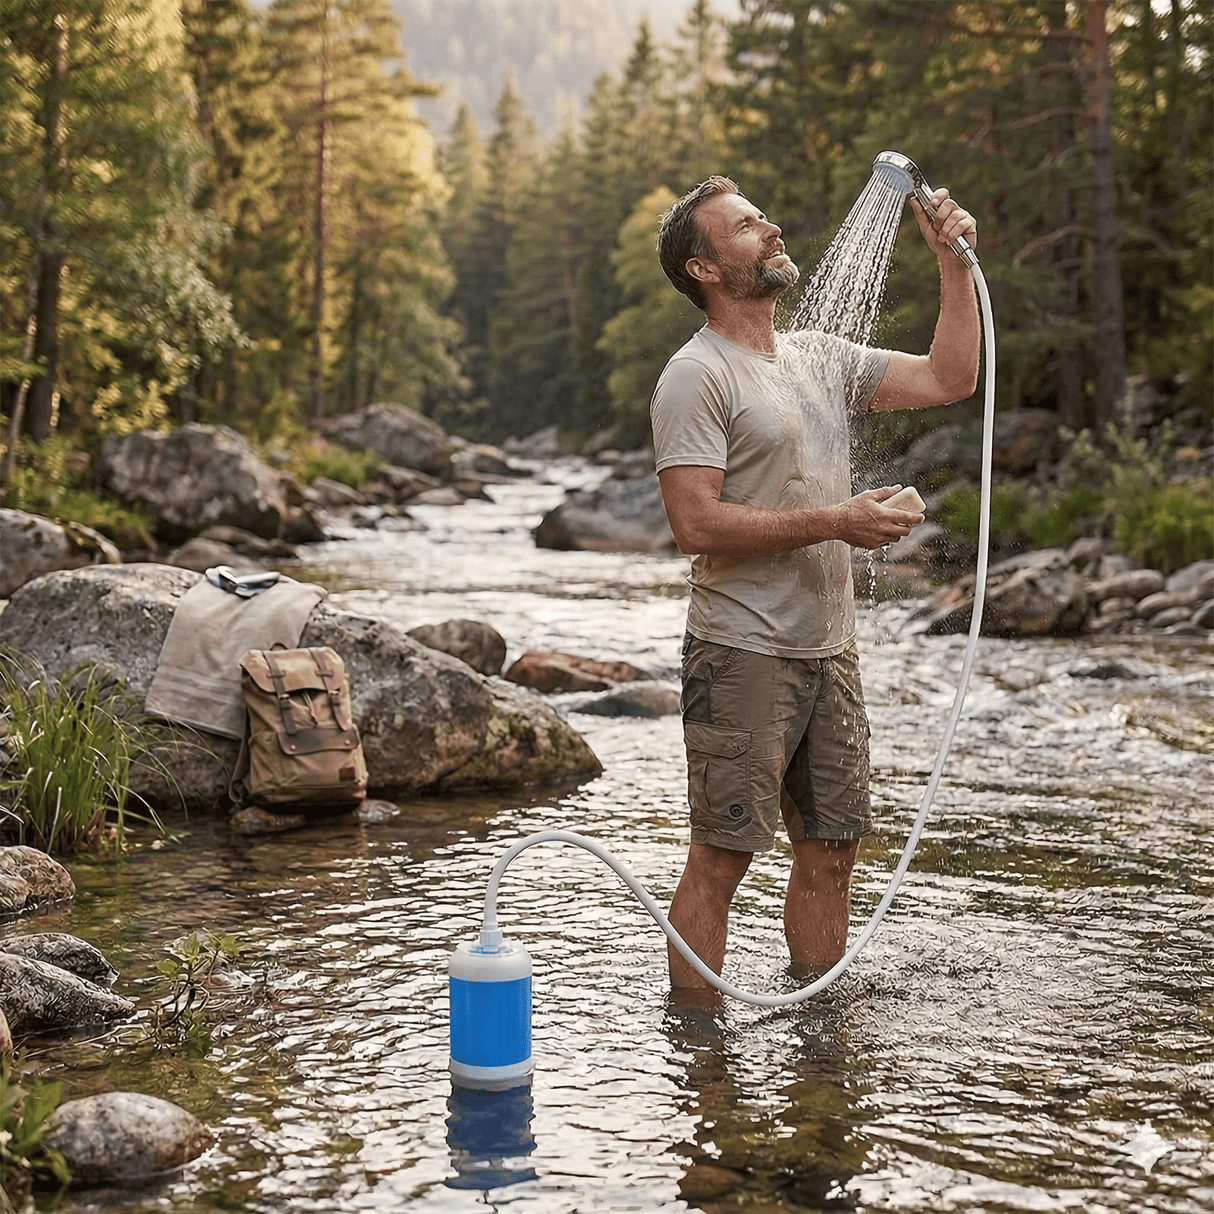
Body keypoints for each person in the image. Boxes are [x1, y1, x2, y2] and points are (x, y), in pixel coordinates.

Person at [650, 174, 980, 989]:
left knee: (833, 850)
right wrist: (837, 519)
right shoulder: (696, 376)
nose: (770, 229)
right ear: (704, 268)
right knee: (722, 859)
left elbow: (951, 379)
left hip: (829, 651)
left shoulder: (818, 359)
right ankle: (700, 1058)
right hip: (740, 649)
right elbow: (694, 523)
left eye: (764, 215)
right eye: (743, 227)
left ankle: (818, 1045)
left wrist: (952, 265)